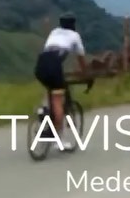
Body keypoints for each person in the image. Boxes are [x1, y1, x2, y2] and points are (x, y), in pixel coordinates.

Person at [34, 14, 89, 151]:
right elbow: (81, 59)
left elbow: (50, 52)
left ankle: (43, 110)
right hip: (54, 66)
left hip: (41, 64)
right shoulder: (75, 36)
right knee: (58, 101)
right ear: (73, 25)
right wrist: (86, 74)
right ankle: (57, 139)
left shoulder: (54, 32)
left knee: (50, 89)